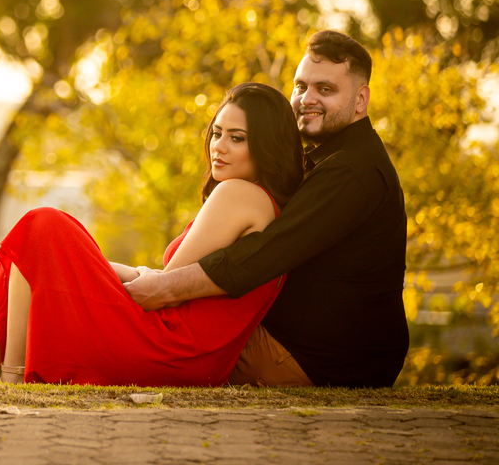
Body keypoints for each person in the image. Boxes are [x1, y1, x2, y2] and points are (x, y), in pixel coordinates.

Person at [0, 82, 305, 385]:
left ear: (266, 147)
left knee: (41, 225)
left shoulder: (239, 194)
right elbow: (165, 281)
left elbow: (165, 289)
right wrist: (75, 265)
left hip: (168, 348)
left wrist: (76, 265)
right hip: (185, 355)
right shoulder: (264, 204)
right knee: (27, 256)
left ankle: (11, 377)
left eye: (237, 138)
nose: (219, 146)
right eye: (217, 133)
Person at [124, 30, 408, 388]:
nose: (307, 99)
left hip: (314, 359)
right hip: (313, 352)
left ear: (360, 99)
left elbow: (265, 254)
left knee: (153, 338)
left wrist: (166, 287)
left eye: (325, 89)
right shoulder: (326, 160)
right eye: (301, 86)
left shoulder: (352, 171)